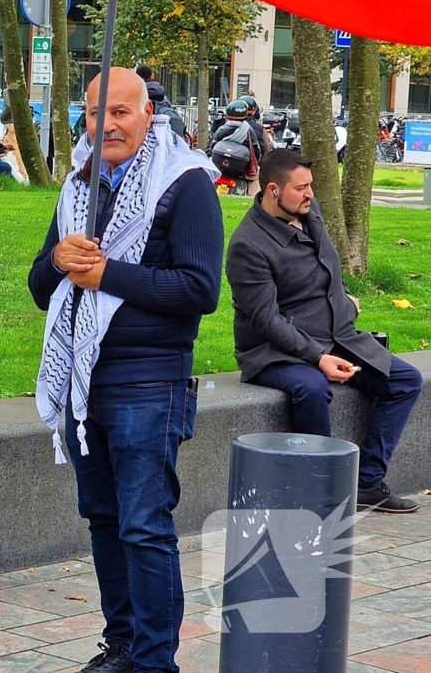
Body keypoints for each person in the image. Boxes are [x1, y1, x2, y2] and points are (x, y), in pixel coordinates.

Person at [28, 67, 223, 673]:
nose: (106, 125)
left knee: (144, 527)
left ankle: (154, 661)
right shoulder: (78, 185)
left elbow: (199, 289)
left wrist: (107, 273)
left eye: (120, 112)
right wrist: (60, 258)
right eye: (94, 114)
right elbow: (41, 286)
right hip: (83, 387)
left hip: (149, 382)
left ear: (147, 114)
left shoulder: (184, 181)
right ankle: (123, 646)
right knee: (105, 522)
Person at [226, 150, 423, 513]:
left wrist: (345, 298)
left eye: (311, 186)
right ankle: (319, 493)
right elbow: (266, 320)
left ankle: (366, 483)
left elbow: (328, 267)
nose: (310, 194)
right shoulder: (247, 246)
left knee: (406, 381)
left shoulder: (306, 211)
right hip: (274, 351)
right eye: (301, 188)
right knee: (313, 389)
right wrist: (318, 358)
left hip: (337, 335)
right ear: (273, 190)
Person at [207, 99, 264, 194]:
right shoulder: (249, 130)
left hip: (220, 167)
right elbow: (256, 150)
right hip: (241, 170)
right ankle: (252, 198)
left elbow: (212, 145)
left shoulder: (222, 129)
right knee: (256, 175)